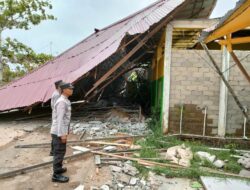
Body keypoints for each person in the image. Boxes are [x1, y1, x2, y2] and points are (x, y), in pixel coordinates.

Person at [50, 82, 74, 183]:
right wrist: (62, 135)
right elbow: (59, 120)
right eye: (70, 88)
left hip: (60, 131)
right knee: (59, 153)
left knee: (61, 151)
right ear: (64, 90)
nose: (72, 90)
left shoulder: (65, 100)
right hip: (58, 132)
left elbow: (65, 119)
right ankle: (56, 175)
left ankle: (58, 169)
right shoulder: (62, 102)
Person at [49, 80, 63, 156]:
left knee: (55, 135)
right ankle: (54, 152)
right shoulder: (57, 95)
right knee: (56, 135)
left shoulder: (56, 93)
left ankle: (53, 151)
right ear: (59, 86)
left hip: (56, 116)